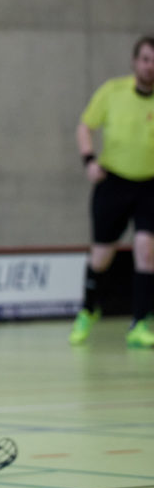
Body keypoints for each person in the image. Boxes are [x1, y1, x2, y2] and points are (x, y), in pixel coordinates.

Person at [69, 35, 154, 349]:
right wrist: (89, 161)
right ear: (135, 62)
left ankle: (140, 322)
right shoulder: (112, 92)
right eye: (145, 59)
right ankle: (88, 310)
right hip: (115, 183)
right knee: (101, 257)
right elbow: (84, 126)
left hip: (150, 186)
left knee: (146, 251)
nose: (150, 66)